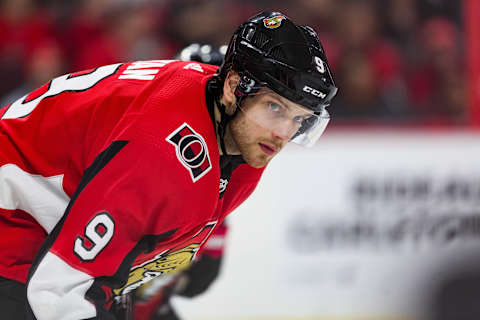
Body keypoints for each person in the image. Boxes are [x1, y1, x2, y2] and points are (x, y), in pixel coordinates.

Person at [0, 11, 337, 320]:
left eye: (299, 119)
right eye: (275, 108)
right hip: (12, 220)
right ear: (235, 87)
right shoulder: (161, 152)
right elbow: (55, 292)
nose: (282, 134)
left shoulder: (237, 131)